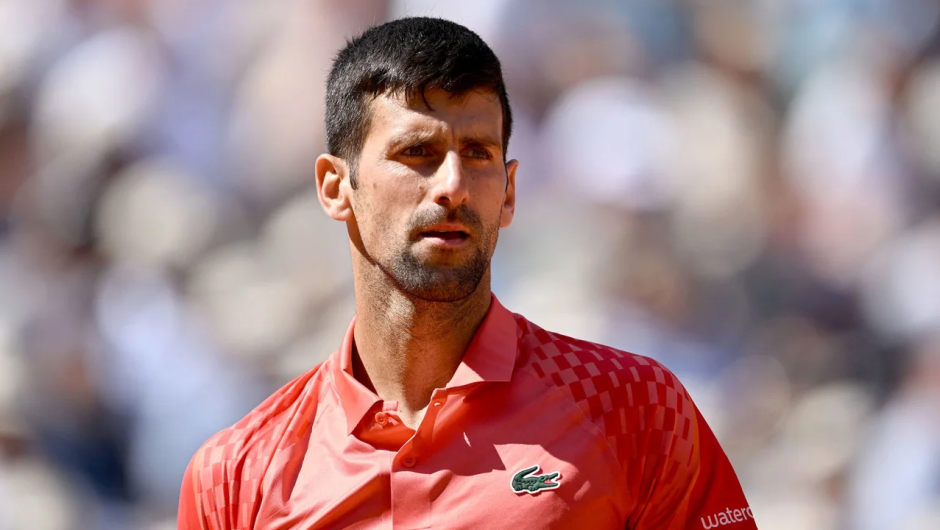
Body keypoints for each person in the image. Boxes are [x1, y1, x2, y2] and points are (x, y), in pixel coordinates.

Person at [177, 16, 756, 530]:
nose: (453, 185)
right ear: (336, 187)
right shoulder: (238, 473)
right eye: (417, 153)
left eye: (478, 153)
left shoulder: (636, 409)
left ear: (508, 192)